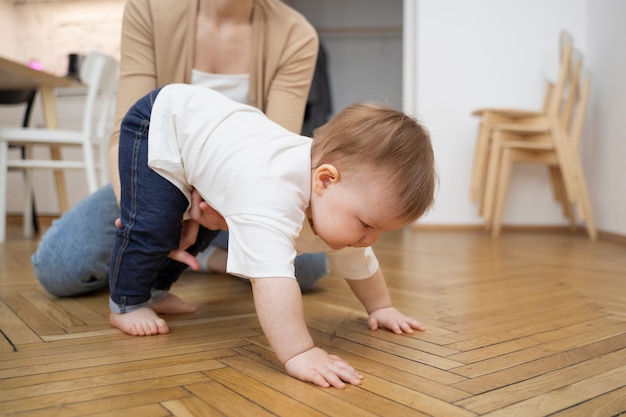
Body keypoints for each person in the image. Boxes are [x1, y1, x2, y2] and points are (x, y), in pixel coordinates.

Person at [109, 84, 436, 389]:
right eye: (367, 224)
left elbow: (360, 262)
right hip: (162, 122)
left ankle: (155, 290)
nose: (370, 239)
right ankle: (126, 303)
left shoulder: (338, 199)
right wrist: (299, 352)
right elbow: (271, 280)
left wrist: (381, 307)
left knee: (204, 226)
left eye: (381, 230)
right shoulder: (272, 194)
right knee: (154, 225)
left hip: (215, 141)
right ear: (324, 181)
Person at [31, 0, 328, 296]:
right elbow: (124, 132)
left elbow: (272, 160)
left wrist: (209, 213)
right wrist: (146, 221)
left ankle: (201, 254)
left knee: (307, 267)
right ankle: (198, 254)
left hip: (238, 197)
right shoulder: (148, 9)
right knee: (60, 265)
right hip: (152, 178)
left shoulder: (295, 34)